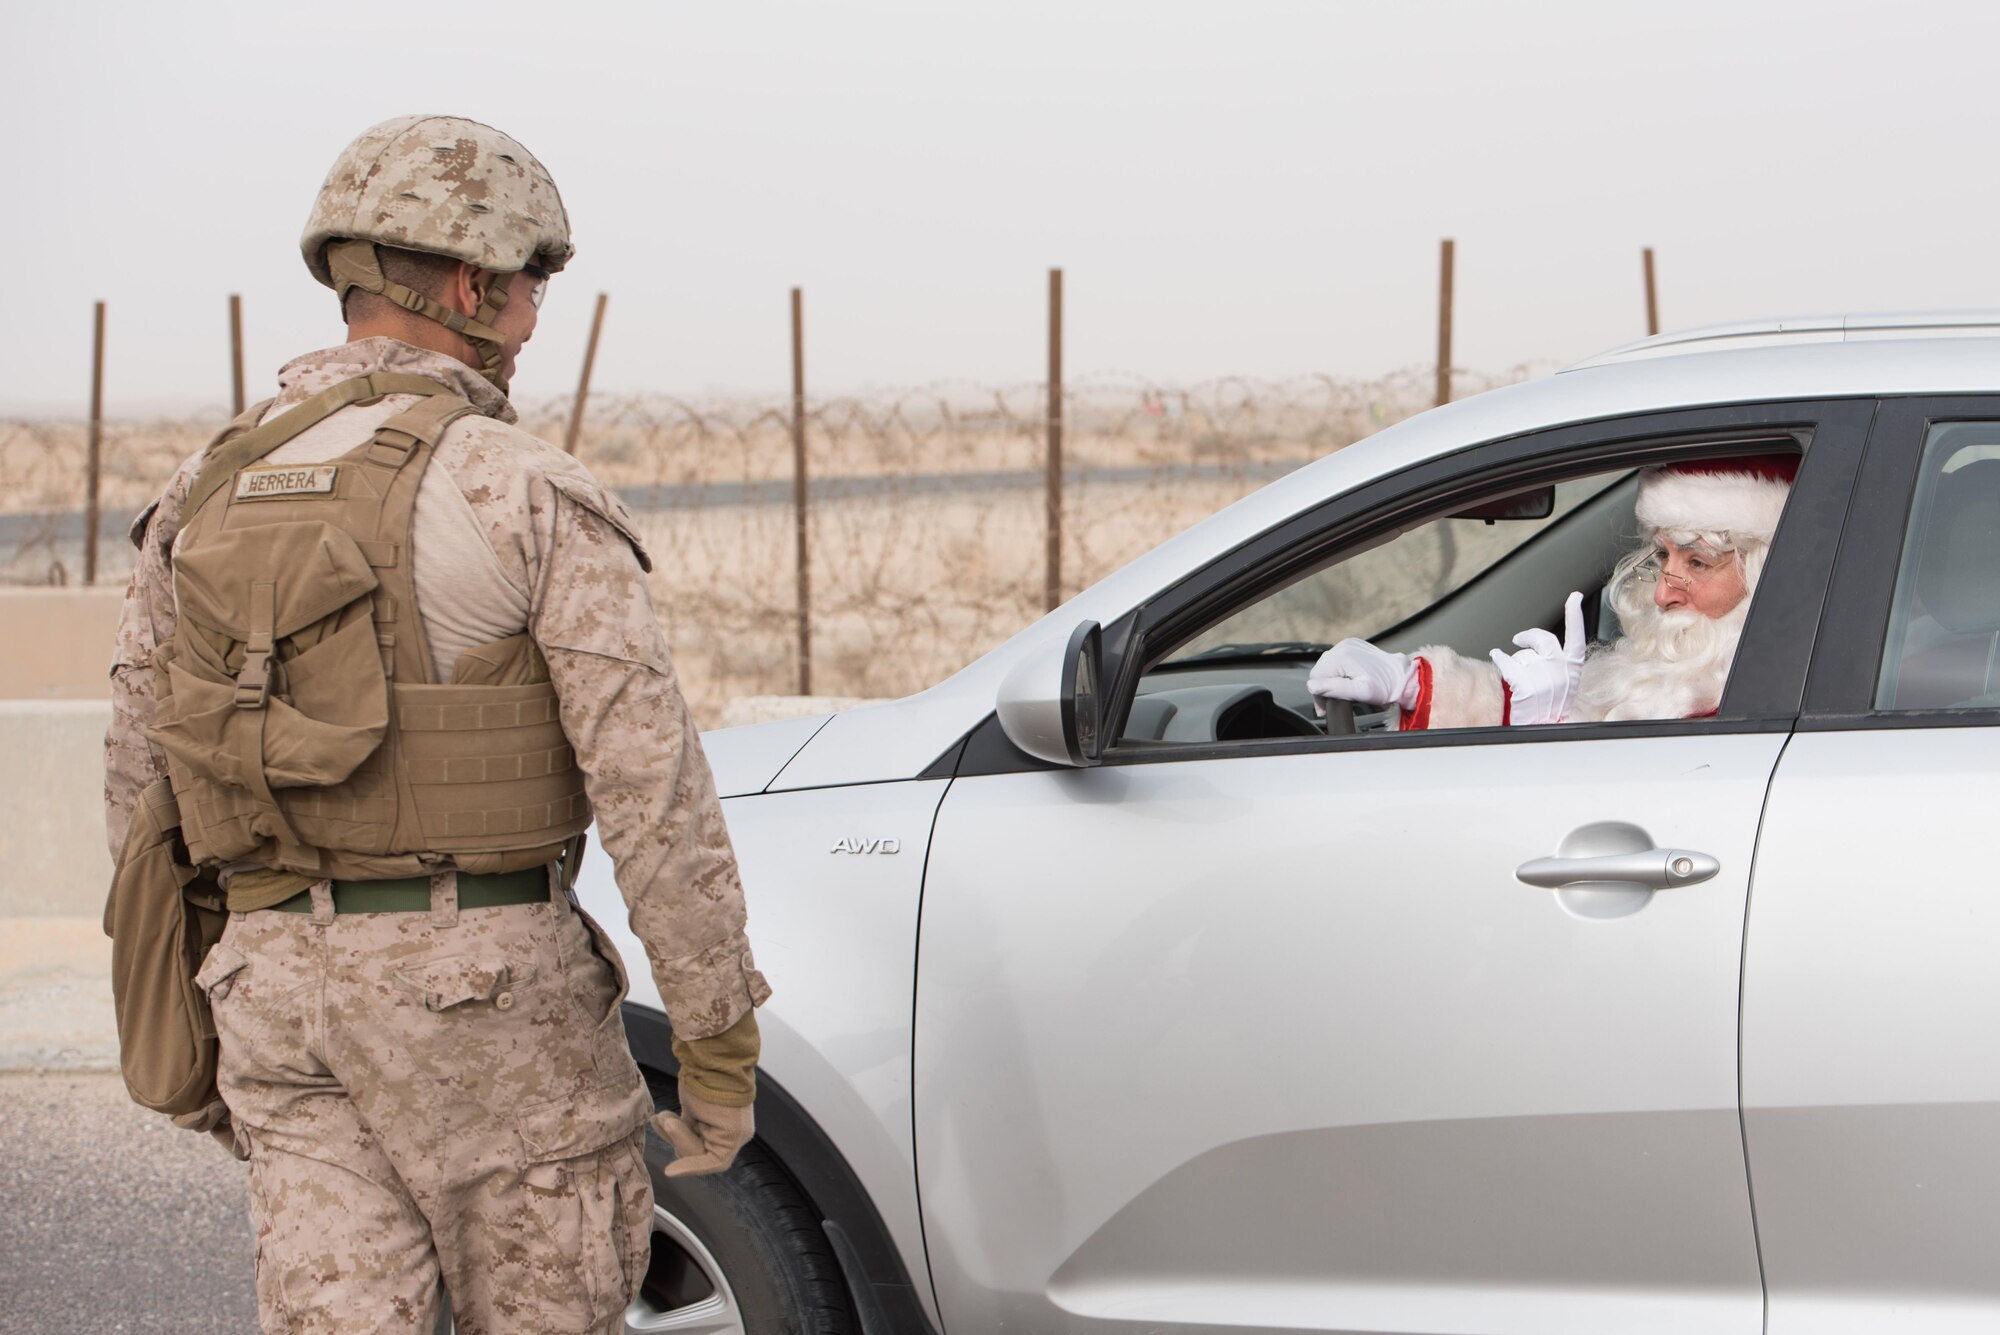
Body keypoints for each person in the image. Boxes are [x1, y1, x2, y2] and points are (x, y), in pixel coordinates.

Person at [103, 115, 769, 1335]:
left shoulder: (199, 496)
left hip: (276, 1003)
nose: (527, 322)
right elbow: (651, 787)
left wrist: (190, 1012)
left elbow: (138, 793)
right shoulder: (517, 486)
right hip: (486, 1010)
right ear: (471, 282)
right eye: (525, 289)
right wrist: (717, 1039)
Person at [1307, 457, 1796, 728]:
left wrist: (1549, 735)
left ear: (1765, 574)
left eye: (1697, 563)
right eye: (1662, 557)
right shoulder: (1691, 676)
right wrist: (1412, 683)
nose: (1662, 595)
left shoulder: (1768, 705)